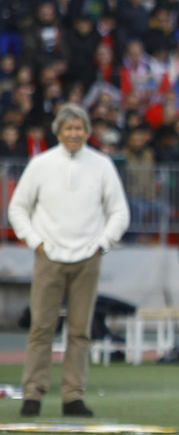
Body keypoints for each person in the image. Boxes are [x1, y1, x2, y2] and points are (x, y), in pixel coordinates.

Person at [7, 103, 129, 417]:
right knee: (41, 327)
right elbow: (17, 208)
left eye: (79, 128)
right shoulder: (41, 164)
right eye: (68, 128)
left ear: (88, 132)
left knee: (80, 330)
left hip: (87, 257)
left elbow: (119, 212)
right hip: (49, 255)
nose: (74, 134)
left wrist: (102, 244)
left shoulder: (102, 165)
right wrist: (36, 242)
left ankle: (73, 396)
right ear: (58, 132)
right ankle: (32, 394)